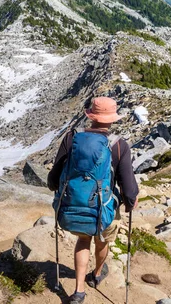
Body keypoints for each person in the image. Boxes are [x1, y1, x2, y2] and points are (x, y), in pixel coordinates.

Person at [48, 97, 139, 304]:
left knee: (83, 240)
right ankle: (97, 273)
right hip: (103, 207)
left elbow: (54, 176)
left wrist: (56, 188)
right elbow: (128, 185)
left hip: (74, 204)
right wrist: (130, 202)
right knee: (103, 240)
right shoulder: (118, 145)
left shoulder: (72, 138)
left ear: (91, 115)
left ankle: (79, 291)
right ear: (112, 119)